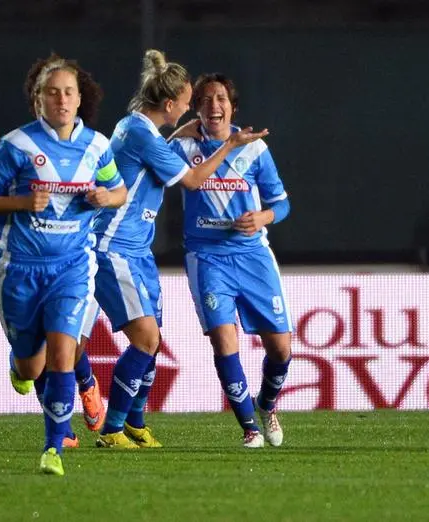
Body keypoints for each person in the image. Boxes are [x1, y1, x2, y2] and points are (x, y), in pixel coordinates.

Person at [88, 50, 270, 449]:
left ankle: (134, 423)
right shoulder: (140, 133)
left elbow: (156, 158)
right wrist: (231, 145)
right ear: (169, 104)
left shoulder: (140, 130)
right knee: (146, 339)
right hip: (112, 248)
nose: (192, 109)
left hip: (137, 249)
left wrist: (176, 137)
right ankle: (113, 428)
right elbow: (191, 181)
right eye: (188, 101)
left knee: (153, 340)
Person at [0, 54, 127, 476]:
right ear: (37, 100)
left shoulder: (97, 145)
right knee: (31, 365)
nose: (61, 99)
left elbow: (120, 191)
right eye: (52, 92)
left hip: (73, 266)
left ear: (80, 99)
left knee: (64, 352)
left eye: (68, 92)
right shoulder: (17, 145)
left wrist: (104, 197)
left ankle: (53, 448)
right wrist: (22, 202)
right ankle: (18, 363)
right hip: (19, 269)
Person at [170, 72, 291, 448]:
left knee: (281, 349)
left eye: (221, 98)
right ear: (198, 109)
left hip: (252, 255)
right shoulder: (184, 147)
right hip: (207, 257)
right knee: (224, 341)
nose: (214, 105)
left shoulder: (253, 149)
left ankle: (266, 404)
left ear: (232, 107)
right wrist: (176, 134)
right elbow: (152, 154)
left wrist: (262, 218)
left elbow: (282, 204)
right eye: (205, 99)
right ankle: (249, 428)